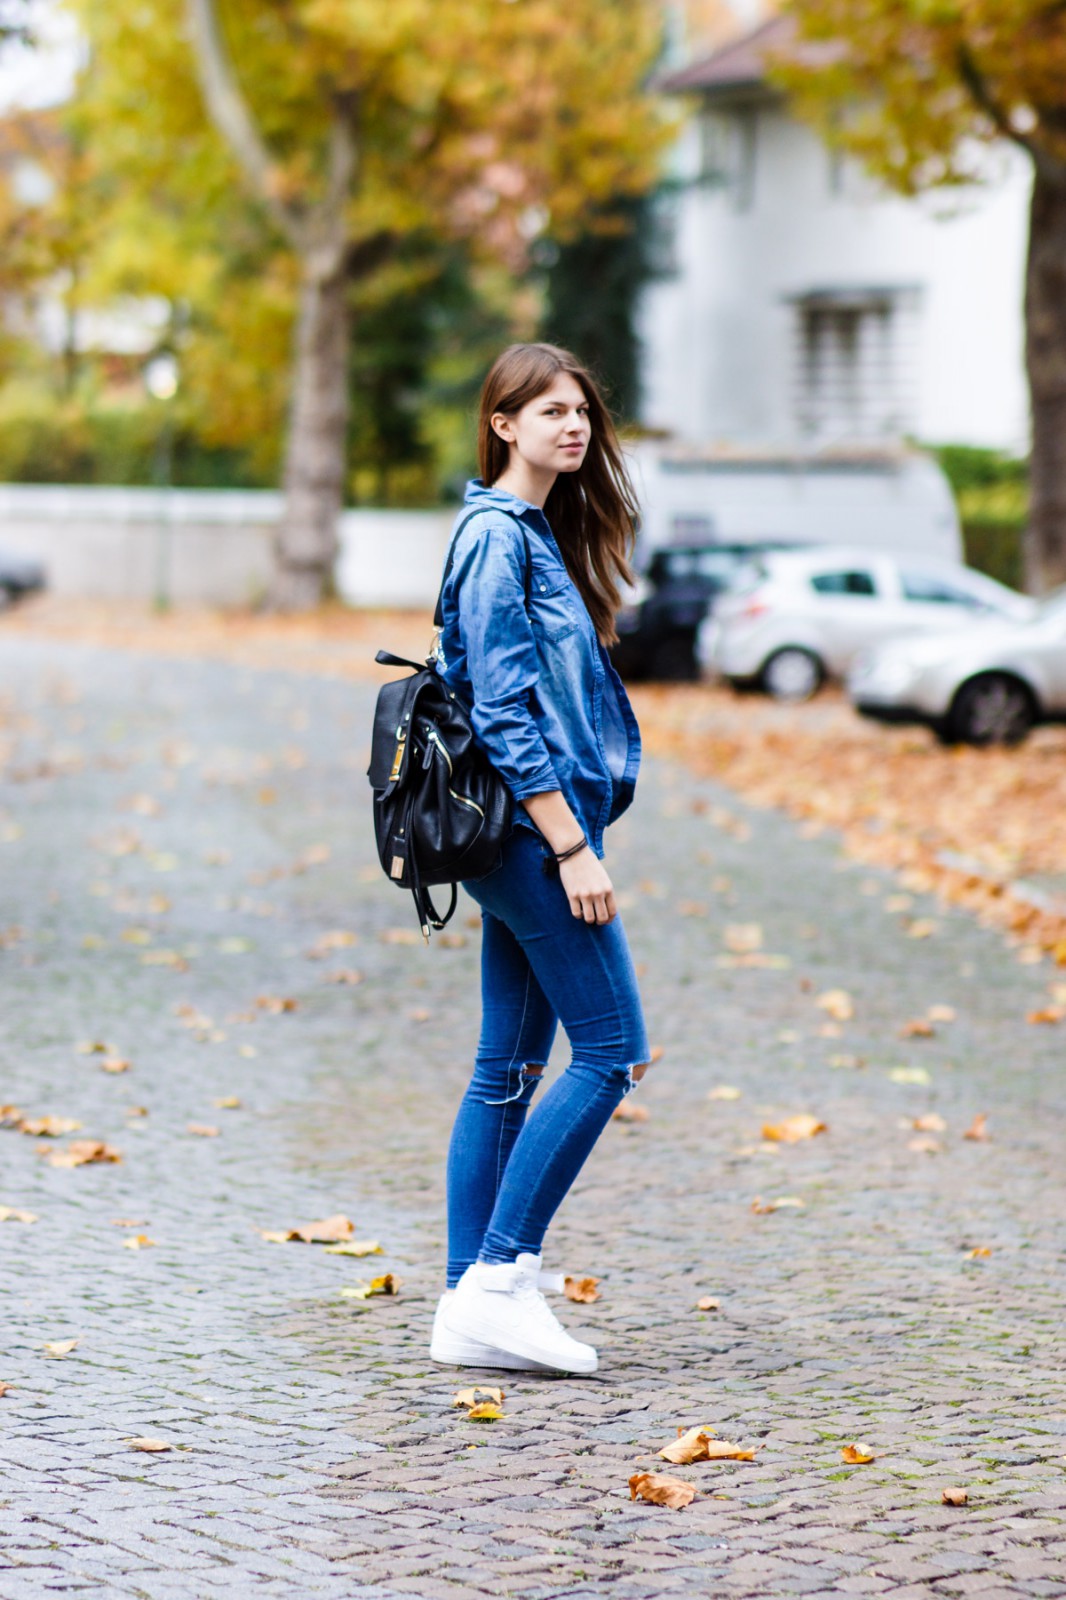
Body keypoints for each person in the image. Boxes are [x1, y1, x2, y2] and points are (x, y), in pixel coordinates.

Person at [430, 343, 651, 1376]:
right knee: (611, 1051)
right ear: (501, 424)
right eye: (548, 410)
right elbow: (502, 709)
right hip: (530, 835)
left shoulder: (532, 535)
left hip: (530, 830)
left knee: (505, 1067)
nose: (574, 426)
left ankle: (464, 1299)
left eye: (581, 412)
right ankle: (500, 1277)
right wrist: (569, 843)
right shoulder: (496, 539)